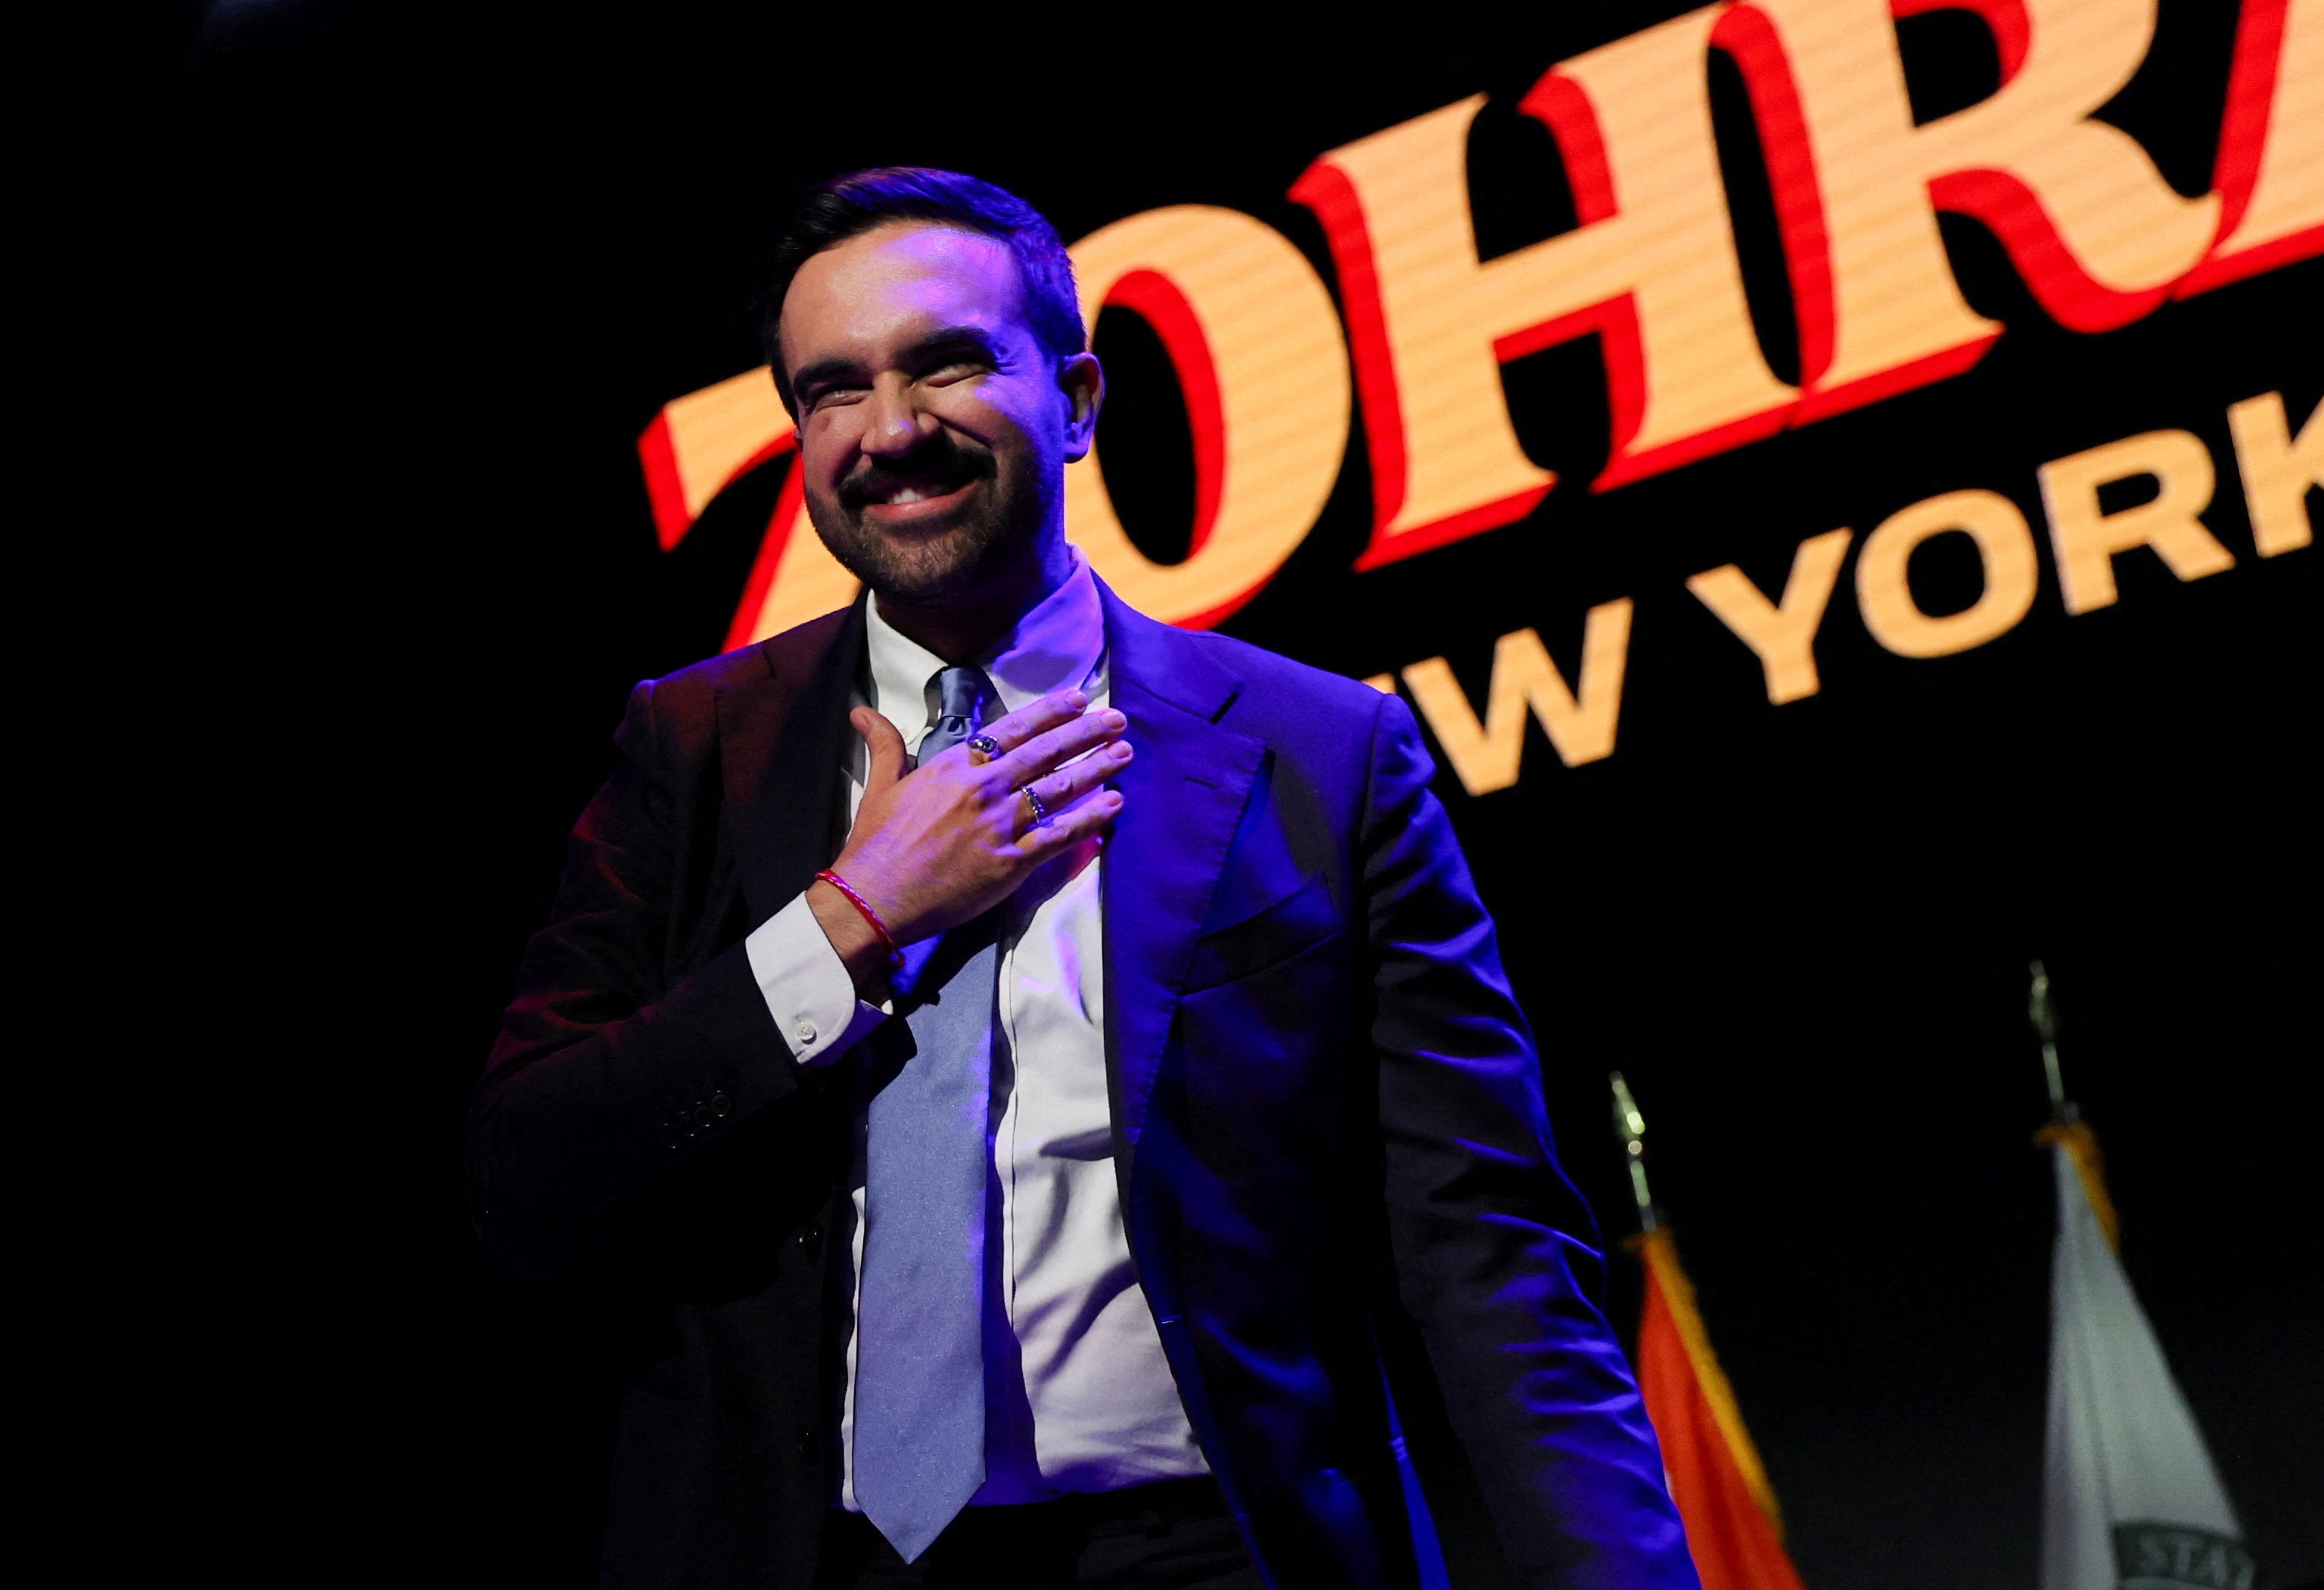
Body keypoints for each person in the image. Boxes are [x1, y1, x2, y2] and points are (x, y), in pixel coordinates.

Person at [471, 167, 1697, 1590]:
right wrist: (852, 919)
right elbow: (530, 1186)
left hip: (1211, 1551)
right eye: (834, 389)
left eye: (947, 363)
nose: (891, 430)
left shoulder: (1321, 751)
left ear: (1077, 399)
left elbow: (1486, 1247)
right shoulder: (695, 751)